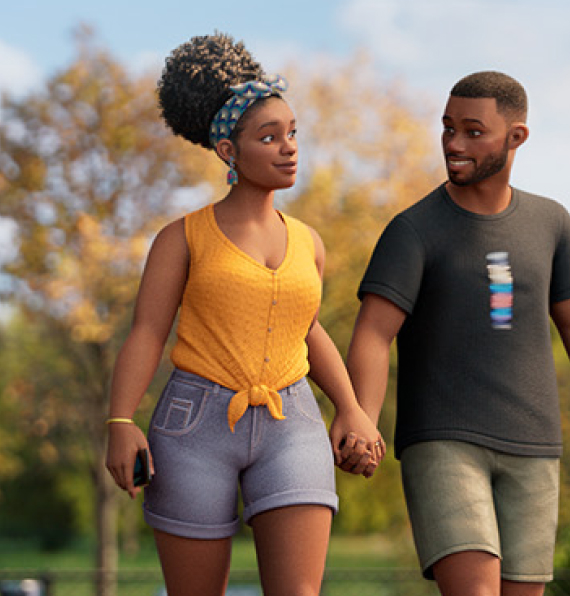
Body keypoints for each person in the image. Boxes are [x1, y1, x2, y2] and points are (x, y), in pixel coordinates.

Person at [99, 33, 379, 596]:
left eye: (293, 133)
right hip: (193, 423)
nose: (289, 148)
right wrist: (120, 422)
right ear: (229, 151)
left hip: (292, 421)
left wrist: (351, 408)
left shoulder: (310, 243)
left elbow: (310, 329)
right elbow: (148, 333)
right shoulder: (181, 238)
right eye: (269, 137)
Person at [342, 70, 570, 596]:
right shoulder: (413, 231)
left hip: (535, 445)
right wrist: (362, 416)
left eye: (473, 131)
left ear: (516, 137)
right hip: (443, 443)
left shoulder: (551, 223)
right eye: (448, 128)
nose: (454, 144)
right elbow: (373, 334)